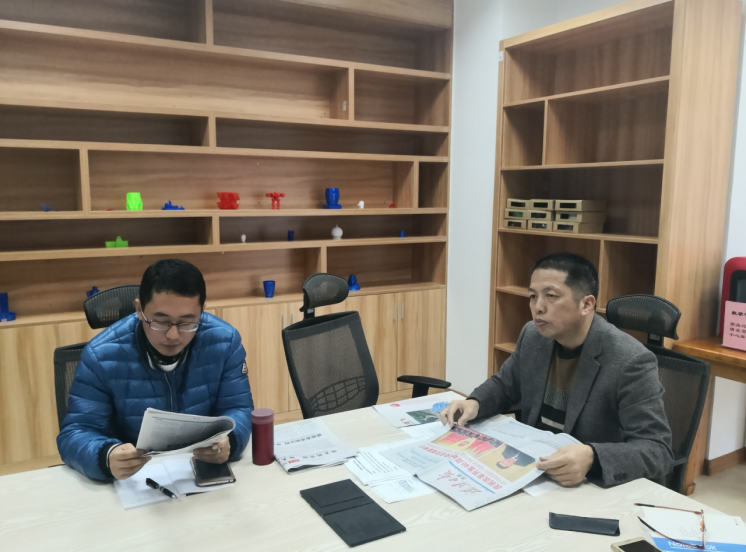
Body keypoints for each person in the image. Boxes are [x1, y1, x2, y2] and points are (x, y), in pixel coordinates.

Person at [440, 253, 673, 488]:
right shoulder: (533, 335)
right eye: (533, 296)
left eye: (551, 296)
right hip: (536, 472)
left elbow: (658, 450)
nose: (538, 307)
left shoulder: (630, 360)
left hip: (588, 485)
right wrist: (475, 403)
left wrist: (593, 457)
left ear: (586, 304)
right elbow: (504, 385)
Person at [57, 259, 254, 481]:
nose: (173, 335)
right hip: (135, 478)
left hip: (199, 472)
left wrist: (230, 441)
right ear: (139, 309)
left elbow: (239, 408)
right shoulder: (101, 355)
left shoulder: (224, 342)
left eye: (187, 322)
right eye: (161, 321)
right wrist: (106, 456)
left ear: (201, 312)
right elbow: (75, 432)